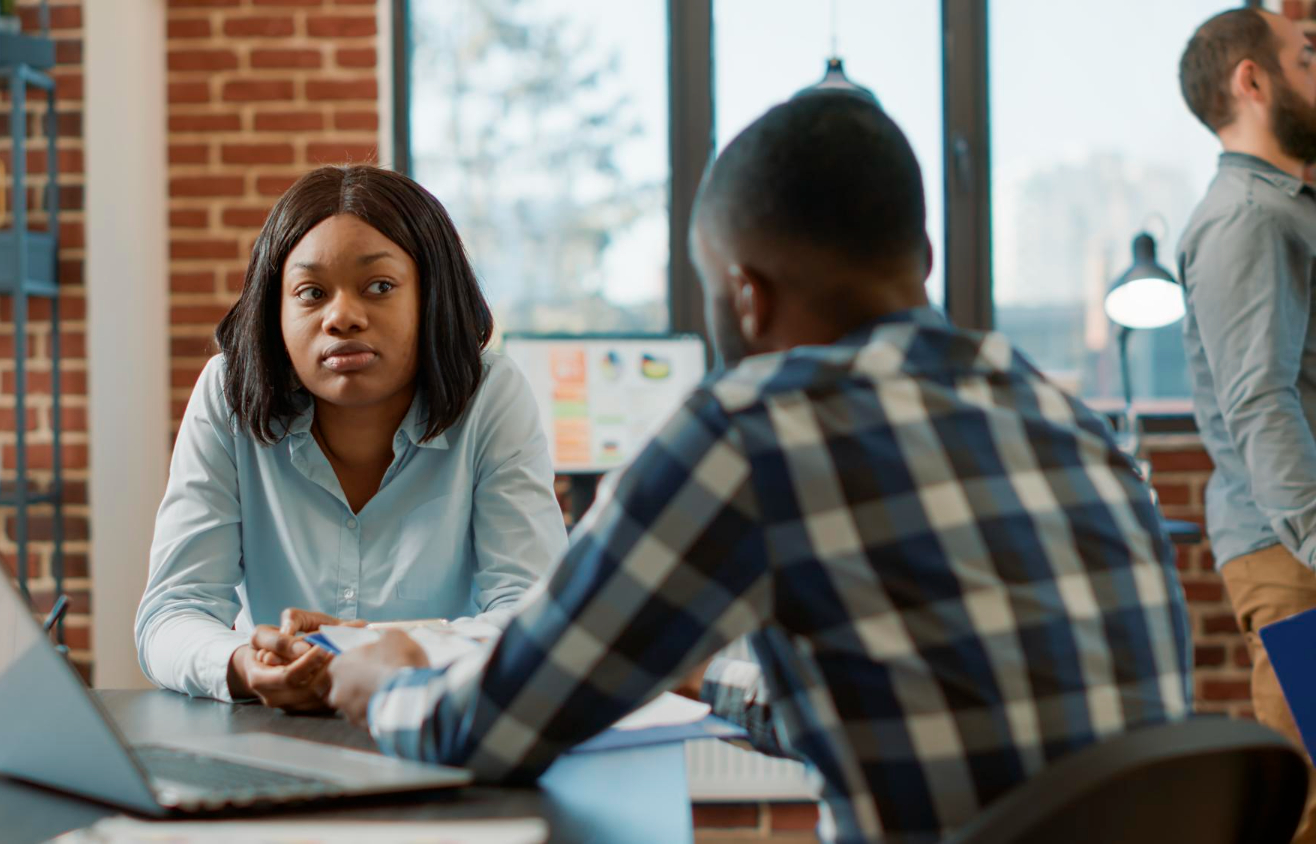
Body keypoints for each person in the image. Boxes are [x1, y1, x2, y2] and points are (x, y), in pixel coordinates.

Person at [320, 94, 1193, 843]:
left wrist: (387, 682)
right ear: (923, 262)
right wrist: (713, 681)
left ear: (745, 293)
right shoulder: (1056, 411)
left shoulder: (755, 426)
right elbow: (944, 704)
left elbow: (495, 727)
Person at [135, 165, 568, 710]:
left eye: (380, 286)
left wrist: (383, 654)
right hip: (272, 737)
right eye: (311, 292)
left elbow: (536, 613)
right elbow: (173, 611)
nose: (342, 317)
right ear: (276, 311)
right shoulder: (228, 395)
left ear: (431, 298)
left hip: (442, 725)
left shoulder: (491, 396)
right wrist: (243, 664)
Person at [1179, 8, 1316, 840]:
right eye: (1309, 56)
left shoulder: (1286, 207)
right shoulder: (1246, 219)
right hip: (1294, 558)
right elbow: (1260, 399)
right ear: (1253, 80)